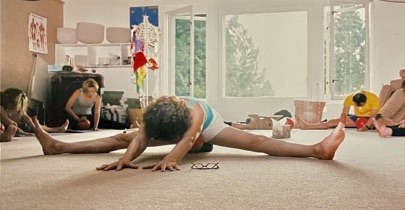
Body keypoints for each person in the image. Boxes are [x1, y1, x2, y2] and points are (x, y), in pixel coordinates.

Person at [33, 96, 346, 172]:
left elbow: (185, 139)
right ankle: (58, 147)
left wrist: (169, 160)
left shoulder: (195, 115)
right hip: (180, 132)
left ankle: (317, 150)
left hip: (207, 128)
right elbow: (143, 137)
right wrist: (125, 161)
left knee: (257, 142)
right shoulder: (155, 112)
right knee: (121, 140)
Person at [0, 88, 68, 142]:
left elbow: (27, 118)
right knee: (6, 127)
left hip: (17, 126)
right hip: (9, 126)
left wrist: (36, 129)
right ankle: (4, 136)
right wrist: (22, 132)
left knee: (31, 125)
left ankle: (58, 129)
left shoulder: (19, 109)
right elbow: (9, 122)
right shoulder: (1, 109)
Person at [297, 90, 380, 132]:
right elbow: (344, 113)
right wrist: (340, 125)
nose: (360, 107)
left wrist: (366, 127)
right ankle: (307, 126)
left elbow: (373, 116)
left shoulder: (373, 98)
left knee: (386, 123)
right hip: (358, 117)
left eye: (362, 105)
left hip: (372, 117)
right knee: (331, 122)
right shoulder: (349, 98)